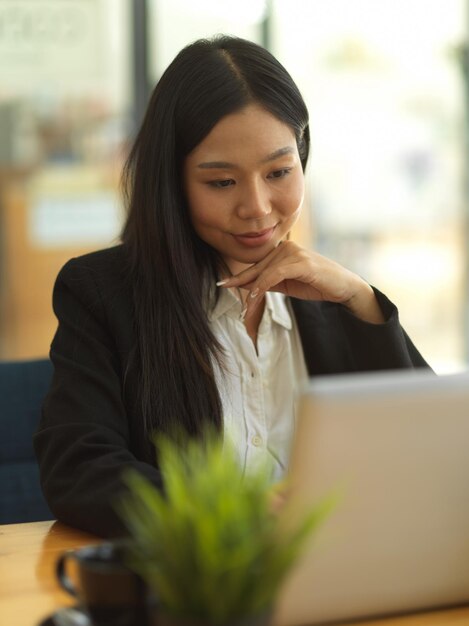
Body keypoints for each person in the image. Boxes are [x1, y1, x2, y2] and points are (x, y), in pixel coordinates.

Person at [34, 35, 428, 538]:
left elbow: (436, 450)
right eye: (222, 182)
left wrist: (361, 301)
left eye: (279, 171)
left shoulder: (333, 296)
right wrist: (230, 510)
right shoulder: (103, 293)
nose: (258, 207)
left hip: (345, 578)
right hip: (202, 592)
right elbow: (78, 469)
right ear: (171, 183)